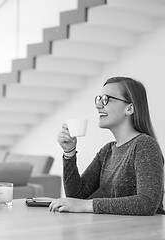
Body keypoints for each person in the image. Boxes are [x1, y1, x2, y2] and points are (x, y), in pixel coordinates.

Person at [50, 76, 164, 215]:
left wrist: (88, 205)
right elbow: (76, 196)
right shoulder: (107, 151)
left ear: (129, 108)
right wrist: (69, 152)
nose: (98, 105)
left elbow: (147, 203)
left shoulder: (144, 145)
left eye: (106, 99)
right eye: (99, 99)